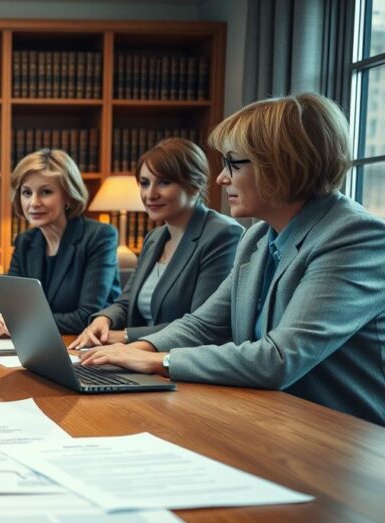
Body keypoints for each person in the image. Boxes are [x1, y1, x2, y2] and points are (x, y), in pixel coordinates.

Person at [81, 92, 385, 426]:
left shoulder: (356, 237)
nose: (221, 178)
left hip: (345, 439)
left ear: (282, 164)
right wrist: (135, 350)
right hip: (273, 420)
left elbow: (280, 358)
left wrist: (161, 361)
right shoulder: (256, 237)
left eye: (233, 164)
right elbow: (204, 324)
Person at [70, 139, 243, 349]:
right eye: (144, 183)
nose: (150, 194)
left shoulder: (222, 235)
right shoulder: (154, 238)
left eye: (163, 182)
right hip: (135, 357)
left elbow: (201, 326)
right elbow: (125, 303)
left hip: (178, 363)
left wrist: (125, 336)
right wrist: (104, 320)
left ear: (194, 185)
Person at [0, 149, 119, 339]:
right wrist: (3, 316)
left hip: (86, 346)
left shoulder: (99, 236)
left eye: (45, 192)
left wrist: (21, 322)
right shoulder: (26, 242)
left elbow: (86, 316)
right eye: (26, 193)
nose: (34, 202)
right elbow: (7, 302)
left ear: (69, 196)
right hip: (41, 343)